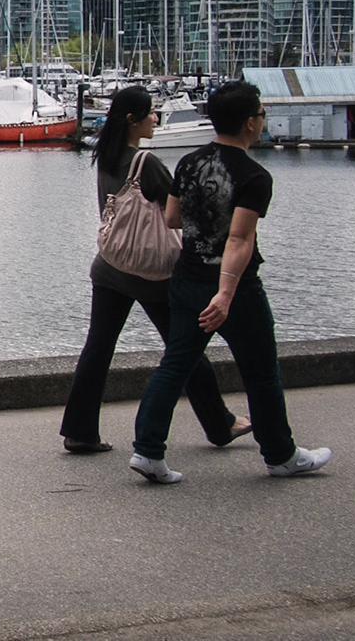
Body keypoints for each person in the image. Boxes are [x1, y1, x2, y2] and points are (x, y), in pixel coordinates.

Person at [129, 80, 333, 483]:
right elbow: (239, 240)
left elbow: (172, 219)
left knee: (175, 366)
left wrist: (204, 221)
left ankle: (148, 451)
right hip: (234, 289)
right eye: (260, 114)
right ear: (249, 124)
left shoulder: (189, 163)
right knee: (260, 372)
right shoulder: (254, 176)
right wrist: (225, 294)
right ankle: (280, 454)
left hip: (186, 278)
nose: (262, 121)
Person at [59, 86, 250, 453]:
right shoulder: (146, 164)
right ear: (132, 119)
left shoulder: (107, 156)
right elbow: (177, 217)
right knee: (185, 346)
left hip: (111, 265)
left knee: (98, 348)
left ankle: (80, 431)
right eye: (150, 113)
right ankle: (220, 424)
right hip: (151, 273)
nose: (155, 118)